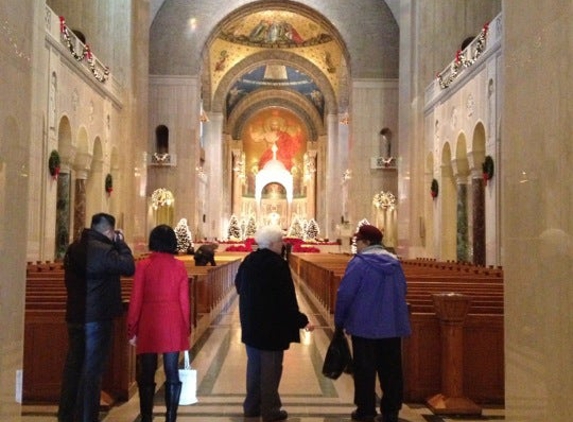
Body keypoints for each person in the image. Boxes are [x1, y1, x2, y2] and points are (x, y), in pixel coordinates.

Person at [58, 213, 136, 422]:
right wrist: (122, 243)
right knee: (92, 372)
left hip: (75, 316)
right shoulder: (106, 251)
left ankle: (66, 416)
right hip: (97, 319)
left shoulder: (74, 249)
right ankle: (86, 418)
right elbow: (129, 267)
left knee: (73, 368)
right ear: (109, 232)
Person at [235, 225, 314, 422]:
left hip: (251, 323)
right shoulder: (278, 265)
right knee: (271, 368)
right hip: (271, 326)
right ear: (271, 243)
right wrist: (302, 321)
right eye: (280, 241)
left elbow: (238, 285)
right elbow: (286, 299)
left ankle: (251, 407)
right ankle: (270, 410)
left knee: (254, 366)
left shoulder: (248, 260)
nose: (283, 244)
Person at [334, 225, 411, 422]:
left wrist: (339, 321)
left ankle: (366, 411)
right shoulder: (395, 264)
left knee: (364, 370)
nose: (356, 245)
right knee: (391, 370)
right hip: (392, 326)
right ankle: (391, 411)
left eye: (357, 241)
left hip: (364, 326)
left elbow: (345, 294)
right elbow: (403, 290)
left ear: (366, 242)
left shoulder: (359, 263)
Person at [127, 224, 190, 422]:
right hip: (172, 320)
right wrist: (185, 327)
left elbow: (135, 299)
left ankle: (146, 416)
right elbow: (184, 300)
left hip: (149, 320)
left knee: (147, 371)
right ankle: (171, 417)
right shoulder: (179, 266)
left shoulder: (143, 266)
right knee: (172, 370)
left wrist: (132, 328)